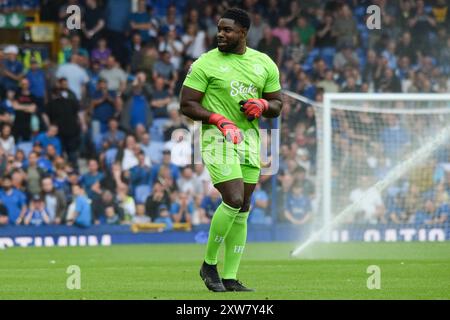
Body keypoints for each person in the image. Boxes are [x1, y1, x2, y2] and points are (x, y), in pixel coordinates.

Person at [180, 8, 282, 292]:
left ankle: (230, 277)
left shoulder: (264, 63)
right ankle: (208, 264)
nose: (221, 34)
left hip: (249, 140)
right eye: (219, 29)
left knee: (244, 207)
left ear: (243, 33)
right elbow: (186, 104)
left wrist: (262, 105)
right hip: (217, 139)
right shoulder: (204, 63)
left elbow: (277, 104)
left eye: (227, 30)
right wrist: (218, 119)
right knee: (234, 199)